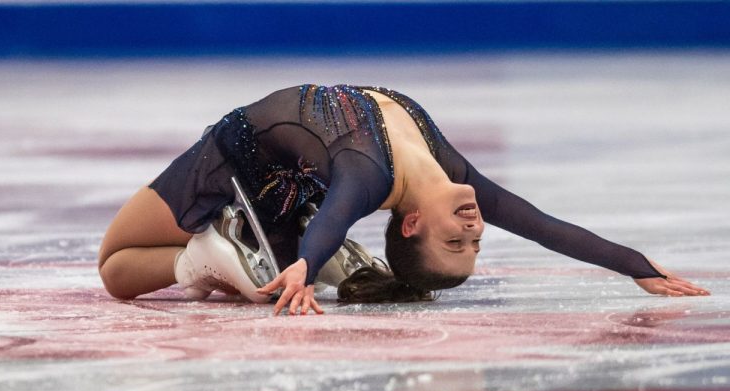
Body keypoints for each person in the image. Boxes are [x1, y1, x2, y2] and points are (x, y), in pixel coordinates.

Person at [98, 84, 709, 315]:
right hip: (293, 187)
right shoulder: (450, 172)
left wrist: (309, 263)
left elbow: (340, 213)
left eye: (455, 240)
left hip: (242, 161)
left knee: (115, 267)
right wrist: (638, 267)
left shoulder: (368, 176)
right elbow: (547, 228)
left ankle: (202, 256)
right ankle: (252, 252)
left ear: (411, 222)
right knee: (313, 214)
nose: (474, 227)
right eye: (474, 240)